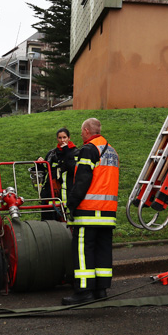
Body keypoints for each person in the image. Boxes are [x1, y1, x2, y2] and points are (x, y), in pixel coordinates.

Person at [62, 117, 120, 305]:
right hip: (107, 212)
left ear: (87, 131)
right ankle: (101, 290)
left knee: (82, 251)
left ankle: (84, 291)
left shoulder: (88, 149)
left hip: (88, 211)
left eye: (81, 132)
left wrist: (71, 203)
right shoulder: (112, 151)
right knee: (103, 251)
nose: (80, 135)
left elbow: (82, 180)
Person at [35, 127, 77, 220]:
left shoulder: (75, 152)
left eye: (64, 137)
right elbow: (45, 170)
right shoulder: (52, 153)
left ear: (69, 138)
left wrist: (66, 151)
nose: (62, 140)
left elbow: (74, 169)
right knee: (48, 225)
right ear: (57, 139)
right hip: (50, 195)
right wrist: (39, 163)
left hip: (67, 195)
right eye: (60, 138)